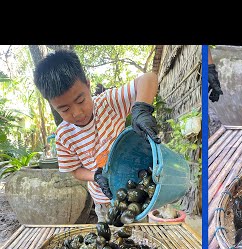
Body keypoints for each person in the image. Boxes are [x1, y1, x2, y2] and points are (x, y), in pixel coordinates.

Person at [33, 49, 161, 222]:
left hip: (135, 193)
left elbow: (149, 78)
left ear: (88, 85)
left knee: (139, 235)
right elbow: (75, 171)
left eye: (80, 101)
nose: (77, 113)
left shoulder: (109, 103)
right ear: (52, 105)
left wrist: (141, 109)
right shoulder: (63, 136)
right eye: (64, 109)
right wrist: (95, 176)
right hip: (102, 202)